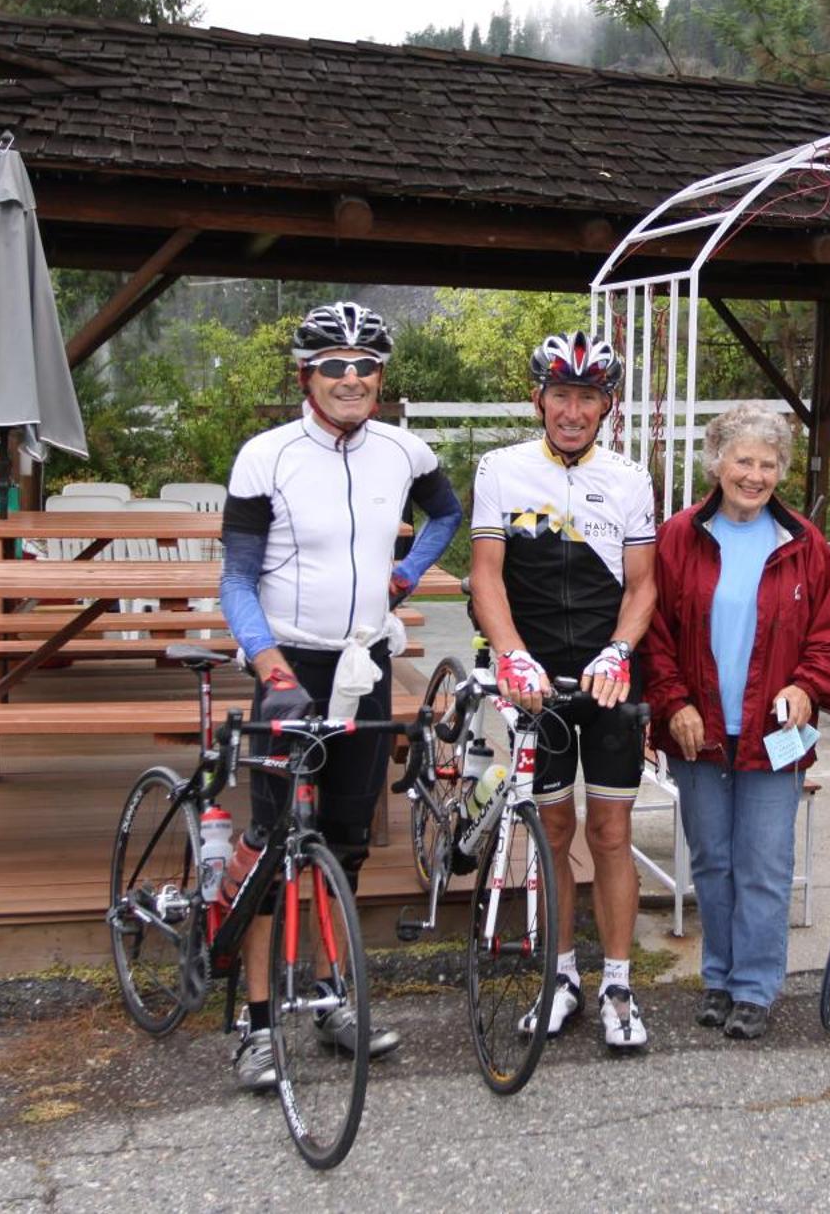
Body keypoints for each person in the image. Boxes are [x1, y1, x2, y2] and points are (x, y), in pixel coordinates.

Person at [219, 301, 462, 1090]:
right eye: (333, 365)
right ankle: (254, 1025)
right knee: (271, 844)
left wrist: (404, 575)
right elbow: (236, 578)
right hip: (291, 668)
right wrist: (271, 668)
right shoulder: (267, 455)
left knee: (347, 842)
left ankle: (329, 996)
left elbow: (446, 512)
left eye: (365, 366)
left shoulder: (403, 449)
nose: (350, 378)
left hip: (362, 664)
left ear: (381, 378)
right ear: (305, 375)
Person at [468, 330, 658, 1051]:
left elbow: (643, 584)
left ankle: (617, 982)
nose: (573, 410)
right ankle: (561, 975)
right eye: (560, 394)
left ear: (607, 405)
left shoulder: (631, 477)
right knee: (551, 832)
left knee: (610, 832)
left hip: (607, 679)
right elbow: (487, 573)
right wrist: (512, 657)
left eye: (587, 396)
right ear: (538, 399)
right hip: (535, 681)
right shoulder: (501, 469)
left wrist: (621, 647)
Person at [643, 404, 830, 1041]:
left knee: (762, 863)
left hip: (773, 734)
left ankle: (756, 986)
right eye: (743, 461)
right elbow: (655, 634)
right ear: (717, 463)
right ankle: (719, 977)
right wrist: (673, 702)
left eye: (767, 464)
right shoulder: (679, 536)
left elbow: (829, 640)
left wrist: (807, 685)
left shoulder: (804, 545)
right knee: (712, 861)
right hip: (697, 731)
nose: (754, 475)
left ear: (780, 470)